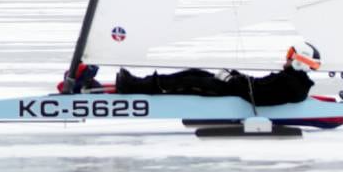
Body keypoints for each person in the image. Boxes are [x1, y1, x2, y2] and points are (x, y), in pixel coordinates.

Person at [115, 43, 321, 106]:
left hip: (231, 93)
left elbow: (259, 96)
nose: (286, 58)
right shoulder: (292, 80)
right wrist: (235, 75)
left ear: (299, 62)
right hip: (233, 87)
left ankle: (133, 87)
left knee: (189, 82)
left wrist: (233, 81)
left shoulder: (292, 85)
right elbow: (260, 84)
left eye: (290, 55)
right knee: (195, 72)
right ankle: (139, 82)